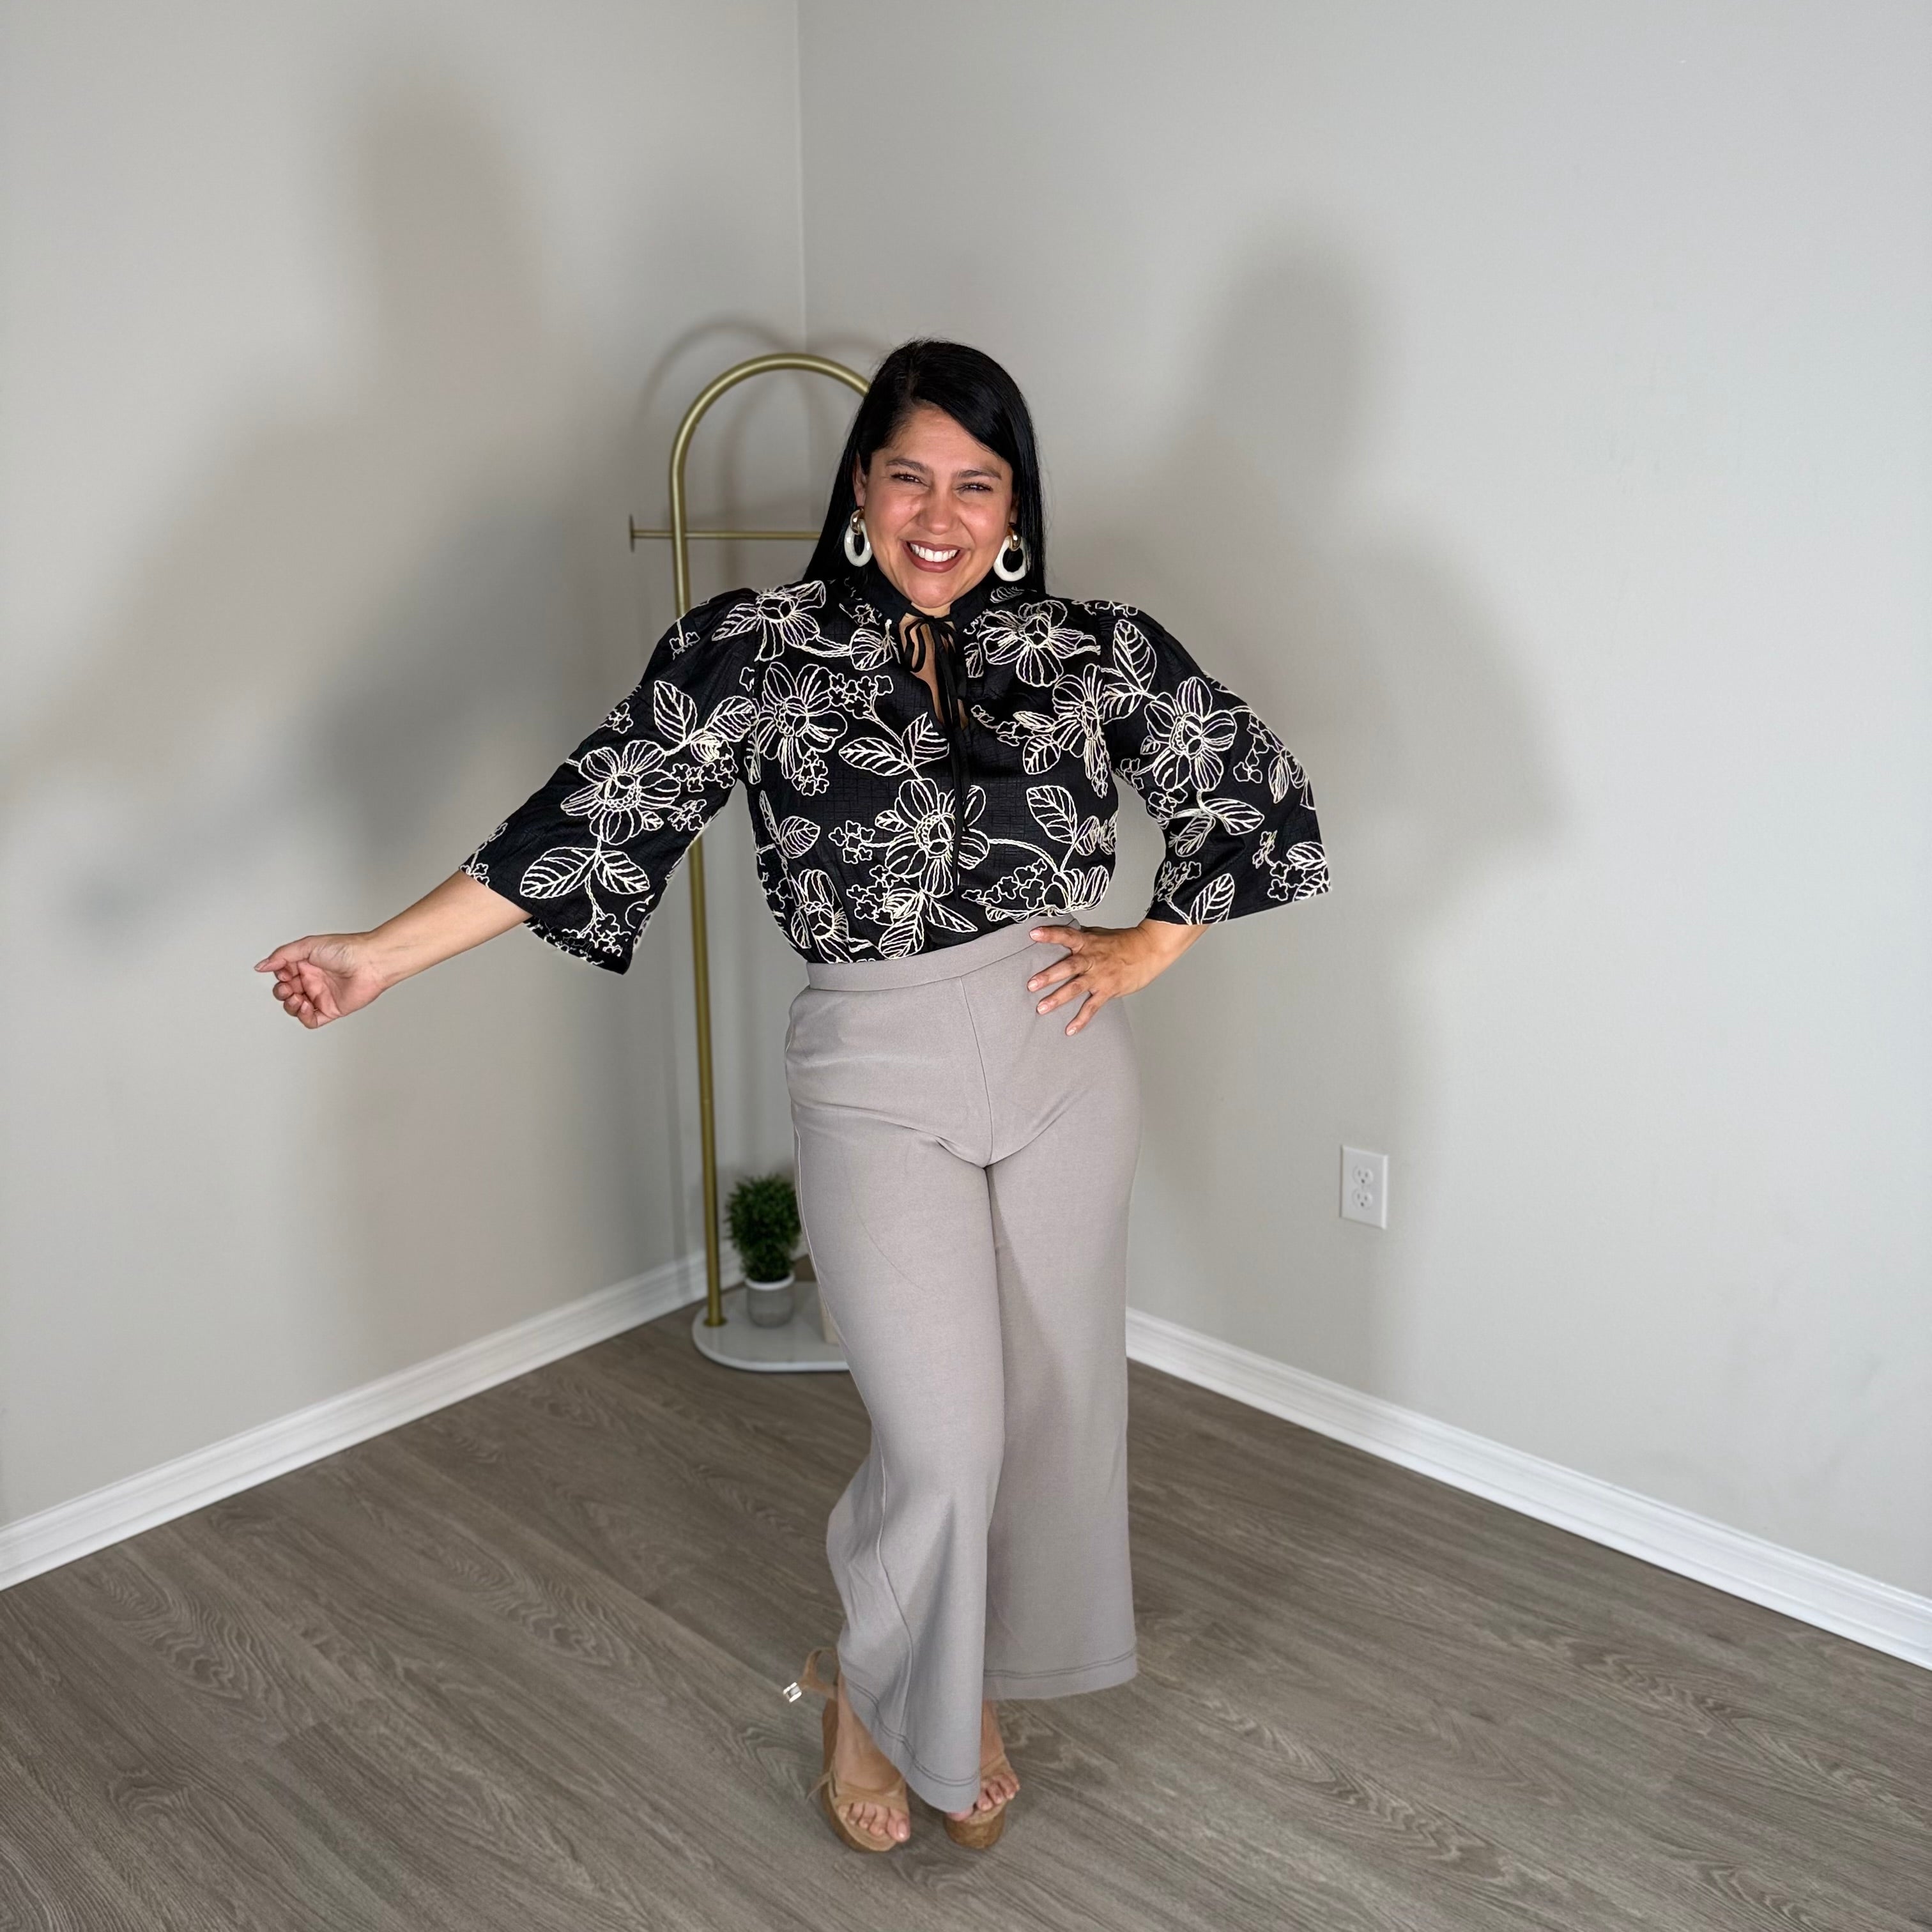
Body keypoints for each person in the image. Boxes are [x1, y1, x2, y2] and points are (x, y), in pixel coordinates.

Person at [256, 338, 1328, 1853]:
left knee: (1050, 1416)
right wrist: (382, 954)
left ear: (1017, 505)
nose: (940, 516)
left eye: (977, 483)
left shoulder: (1100, 648)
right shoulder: (757, 648)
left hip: (1062, 1057)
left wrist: (1151, 944)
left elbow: (1254, 790)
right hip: (877, 1067)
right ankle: (863, 1683)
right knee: (943, 1437)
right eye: (910, 477)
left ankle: (963, 1686)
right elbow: (597, 805)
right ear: (861, 490)